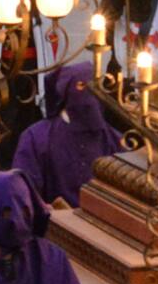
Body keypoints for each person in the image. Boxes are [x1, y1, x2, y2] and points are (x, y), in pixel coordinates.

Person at [12, 64, 123, 208]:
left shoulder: (115, 140)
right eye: (82, 85)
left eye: (95, 86)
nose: (90, 93)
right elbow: (23, 193)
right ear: (66, 91)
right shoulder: (37, 137)